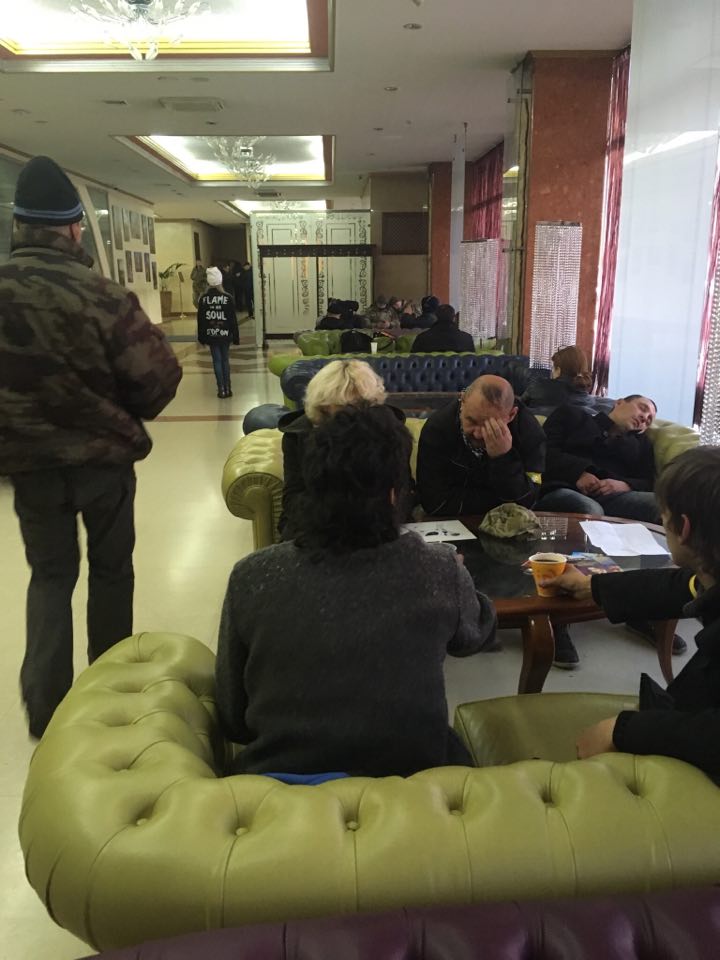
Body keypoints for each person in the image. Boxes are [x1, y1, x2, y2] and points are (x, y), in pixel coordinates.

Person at [0, 155, 182, 738]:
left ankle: (45, 709)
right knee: (111, 572)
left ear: (18, 226)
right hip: (104, 465)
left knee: (50, 576)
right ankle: (107, 693)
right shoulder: (104, 296)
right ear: (75, 228)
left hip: (29, 466)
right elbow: (156, 381)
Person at [215, 404, 498, 777]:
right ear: (394, 494)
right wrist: (459, 579)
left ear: (309, 484)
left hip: (281, 787)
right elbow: (477, 635)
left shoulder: (251, 576)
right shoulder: (437, 569)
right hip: (412, 782)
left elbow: (232, 717)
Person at [541, 446, 719, 780]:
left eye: (663, 516)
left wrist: (622, 730)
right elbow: (683, 585)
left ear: (683, 528)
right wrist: (592, 586)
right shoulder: (711, 575)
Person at [278, 359, 393, 538]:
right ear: (323, 407)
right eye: (341, 407)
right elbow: (293, 498)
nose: (350, 415)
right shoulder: (298, 435)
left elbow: (402, 490)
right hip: (313, 526)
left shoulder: (388, 431)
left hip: (378, 526)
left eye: (359, 406)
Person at [417, 374, 545, 517]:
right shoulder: (438, 429)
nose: (478, 434)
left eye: (490, 426)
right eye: (471, 421)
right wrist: (502, 502)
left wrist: (503, 458)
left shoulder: (529, 432)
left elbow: (528, 501)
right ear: (462, 400)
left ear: (511, 415)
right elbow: (435, 503)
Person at [537, 394, 660, 523]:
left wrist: (626, 485)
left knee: (660, 505)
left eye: (649, 421)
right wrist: (579, 472)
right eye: (642, 408)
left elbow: (648, 481)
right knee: (591, 510)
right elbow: (543, 452)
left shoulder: (642, 445)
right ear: (619, 402)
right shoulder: (571, 415)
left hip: (615, 498)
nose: (644, 418)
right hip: (564, 487)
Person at [197, 266, 239, 399]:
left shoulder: (203, 299)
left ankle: (221, 389)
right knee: (225, 360)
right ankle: (228, 388)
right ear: (220, 281)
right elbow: (233, 320)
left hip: (211, 334)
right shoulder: (228, 298)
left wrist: (201, 337)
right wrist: (236, 336)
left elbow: (201, 320)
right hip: (225, 333)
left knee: (217, 360)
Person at [521, 345, 593, 412]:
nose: (551, 372)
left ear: (558, 371)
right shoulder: (589, 402)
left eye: (553, 368)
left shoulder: (537, 387)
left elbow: (519, 406)